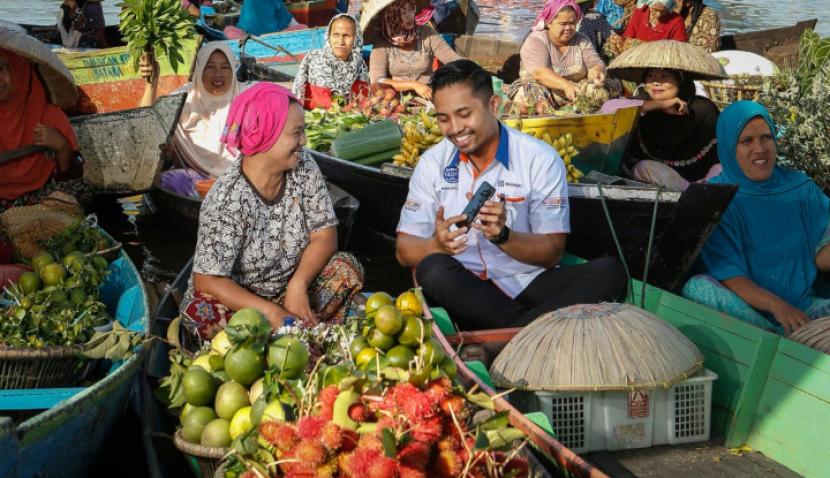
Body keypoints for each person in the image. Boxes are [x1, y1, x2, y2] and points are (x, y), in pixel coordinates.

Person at [395, 60, 626, 330]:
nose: (455, 128)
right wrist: (438, 245)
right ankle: (529, 331)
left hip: (526, 283)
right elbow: (404, 251)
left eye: (464, 114)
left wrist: (504, 236)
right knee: (432, 269)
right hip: (463, 288)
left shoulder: (540, 159)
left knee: (610, 272)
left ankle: (502, 338)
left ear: (493, 106)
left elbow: (551, 252)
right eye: (443, 118)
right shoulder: (433, 163)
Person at [181, 83, 364, 340]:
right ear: (264, 134)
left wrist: (298, 285)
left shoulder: (304, 166)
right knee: (201, 312)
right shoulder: (227, 199)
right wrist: (270, 312)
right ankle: (301, 331)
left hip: (289, 287)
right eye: (296, 133)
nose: (304, 141)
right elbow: (207, 280)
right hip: (243, 302)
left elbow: (325, 235)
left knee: (346, 268)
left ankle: (300, 328)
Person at [683, 101, 830, 335]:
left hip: (805, 310)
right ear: (729, 148)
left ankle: (797, 339)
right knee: (697, 289)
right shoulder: (716, 197)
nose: (760, 148)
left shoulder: (800, 188)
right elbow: (728, 273)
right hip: (748, 314)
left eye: (766, 137)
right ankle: (778, 342)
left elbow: (821, 257)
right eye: (746, 141)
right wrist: (778, 306)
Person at [152, 42, 248, 197]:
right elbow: (151, 121)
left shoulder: (247, 97)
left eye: (225, 67)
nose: (218, 73)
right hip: (196, 177)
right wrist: (151, 83)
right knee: (170, 180)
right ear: (199, 68)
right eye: (210, 67)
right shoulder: (182, 99)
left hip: (241, 177)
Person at [603, 67, 720, 190]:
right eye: (651, 76)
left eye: (664, 76)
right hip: (656, 188)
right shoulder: (642, 105)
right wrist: (660, 104)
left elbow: (721, 157)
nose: (656, 82)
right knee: (643, 168)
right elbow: (607, 108)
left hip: (703, 186)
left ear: (681, 80)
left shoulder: (703, 110)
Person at [0, 48, 82, 212]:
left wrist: (61, 146)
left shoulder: (50, 117)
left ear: (20, 73)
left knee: (82, 191)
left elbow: (75, 178)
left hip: (42, 203)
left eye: (2, 68)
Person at [508, 0, 610, 111]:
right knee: (530, 95)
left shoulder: (581, 39)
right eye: (563, 24)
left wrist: (597, 73)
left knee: (608, 85)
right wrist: (566, 86)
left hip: (575, 91)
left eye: (572, 23)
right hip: (544, 90)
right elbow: (540, 73)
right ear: (549, 23)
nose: (568, 28)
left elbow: (595, 63)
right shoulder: (536, 40)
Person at [365, 0, 463, 100]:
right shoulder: (381, 41)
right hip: (397, 98)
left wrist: (473, 71)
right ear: (391, 15)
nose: (410, 16)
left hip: (429, 94)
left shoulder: (427, 33)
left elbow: (454, 60)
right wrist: (413, 85)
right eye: (403, 12)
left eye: (411, 9)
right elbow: (377, 80)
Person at [291, 14, 370, 109]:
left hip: (349, 116)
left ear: (356, 38)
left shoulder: (359, 64)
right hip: (317, 116)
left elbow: (363, 100)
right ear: (329, 36)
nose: (341, 41)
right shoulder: (318, 60)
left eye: (346, 36)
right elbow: (323, 103)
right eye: (336, 35)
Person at [606, 0, 688, 56]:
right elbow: (629, 36)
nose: (658, 14)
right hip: (635, 55)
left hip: (660, 59)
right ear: (649, 4)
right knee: (613, 39)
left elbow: (680, 49)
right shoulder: (639, 12)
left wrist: (650, 49)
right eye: (655, 9)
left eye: (663, 11)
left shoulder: (677, 21)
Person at [225, 0, 302, 39]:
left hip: (267, 38)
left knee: (303, 28)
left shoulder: (277, 2)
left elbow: (289, 20)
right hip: (252, 38)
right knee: (229, 31)